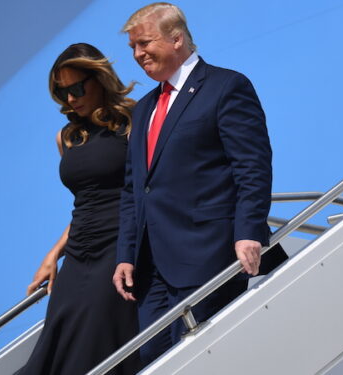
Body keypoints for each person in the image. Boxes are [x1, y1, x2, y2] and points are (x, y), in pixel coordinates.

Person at [112, 2, 286, 366]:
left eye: (144, 43)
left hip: (208, 255)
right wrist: (126, 254)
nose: (138, 54)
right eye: (132, 48)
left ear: (176, 38)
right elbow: (134, 189)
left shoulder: (225, 87)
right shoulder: (143, 109)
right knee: (154, 361)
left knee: (202, 361)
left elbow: (252, 166)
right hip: (152, 268)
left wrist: (249, 230)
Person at [19, 43, 140, 375]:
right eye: (62, 92)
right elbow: (85, 201)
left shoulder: (133, 120)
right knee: (60, 335)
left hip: (120, 245)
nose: (70, 99)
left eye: (76, 88)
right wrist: (53, 254)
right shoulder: (66, 137)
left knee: (95, 338)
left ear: (99, 78)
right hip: (78, 252)